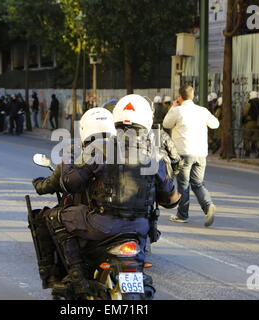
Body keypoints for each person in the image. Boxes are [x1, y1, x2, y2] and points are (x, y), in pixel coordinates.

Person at [33, 95, 180, 298]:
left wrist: (67, 163)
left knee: (54, 216)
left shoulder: (100, 148)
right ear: (147, 119)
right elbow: (171, 200)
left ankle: (77, 276)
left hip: (102, 225)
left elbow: (71, 182)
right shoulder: (156, 155)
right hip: (139, 230)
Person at [163, 85, 219, 227]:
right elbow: (215, 124)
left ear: (180, 97)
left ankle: (182, 215)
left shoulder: (177, 110)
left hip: (184, 153)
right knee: (198, 184)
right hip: (200, 153)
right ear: (193, 96)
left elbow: (166, 124)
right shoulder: (202, 111)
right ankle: (208, 206)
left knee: (183, 185)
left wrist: (173, 107)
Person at [242, 91, 259, 158]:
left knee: (246, 137)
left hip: (249, 123)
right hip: (257, 123)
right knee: (258, 138)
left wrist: (243, 120)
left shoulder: (249, 104)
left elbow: (245, 113)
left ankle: (247, 151)